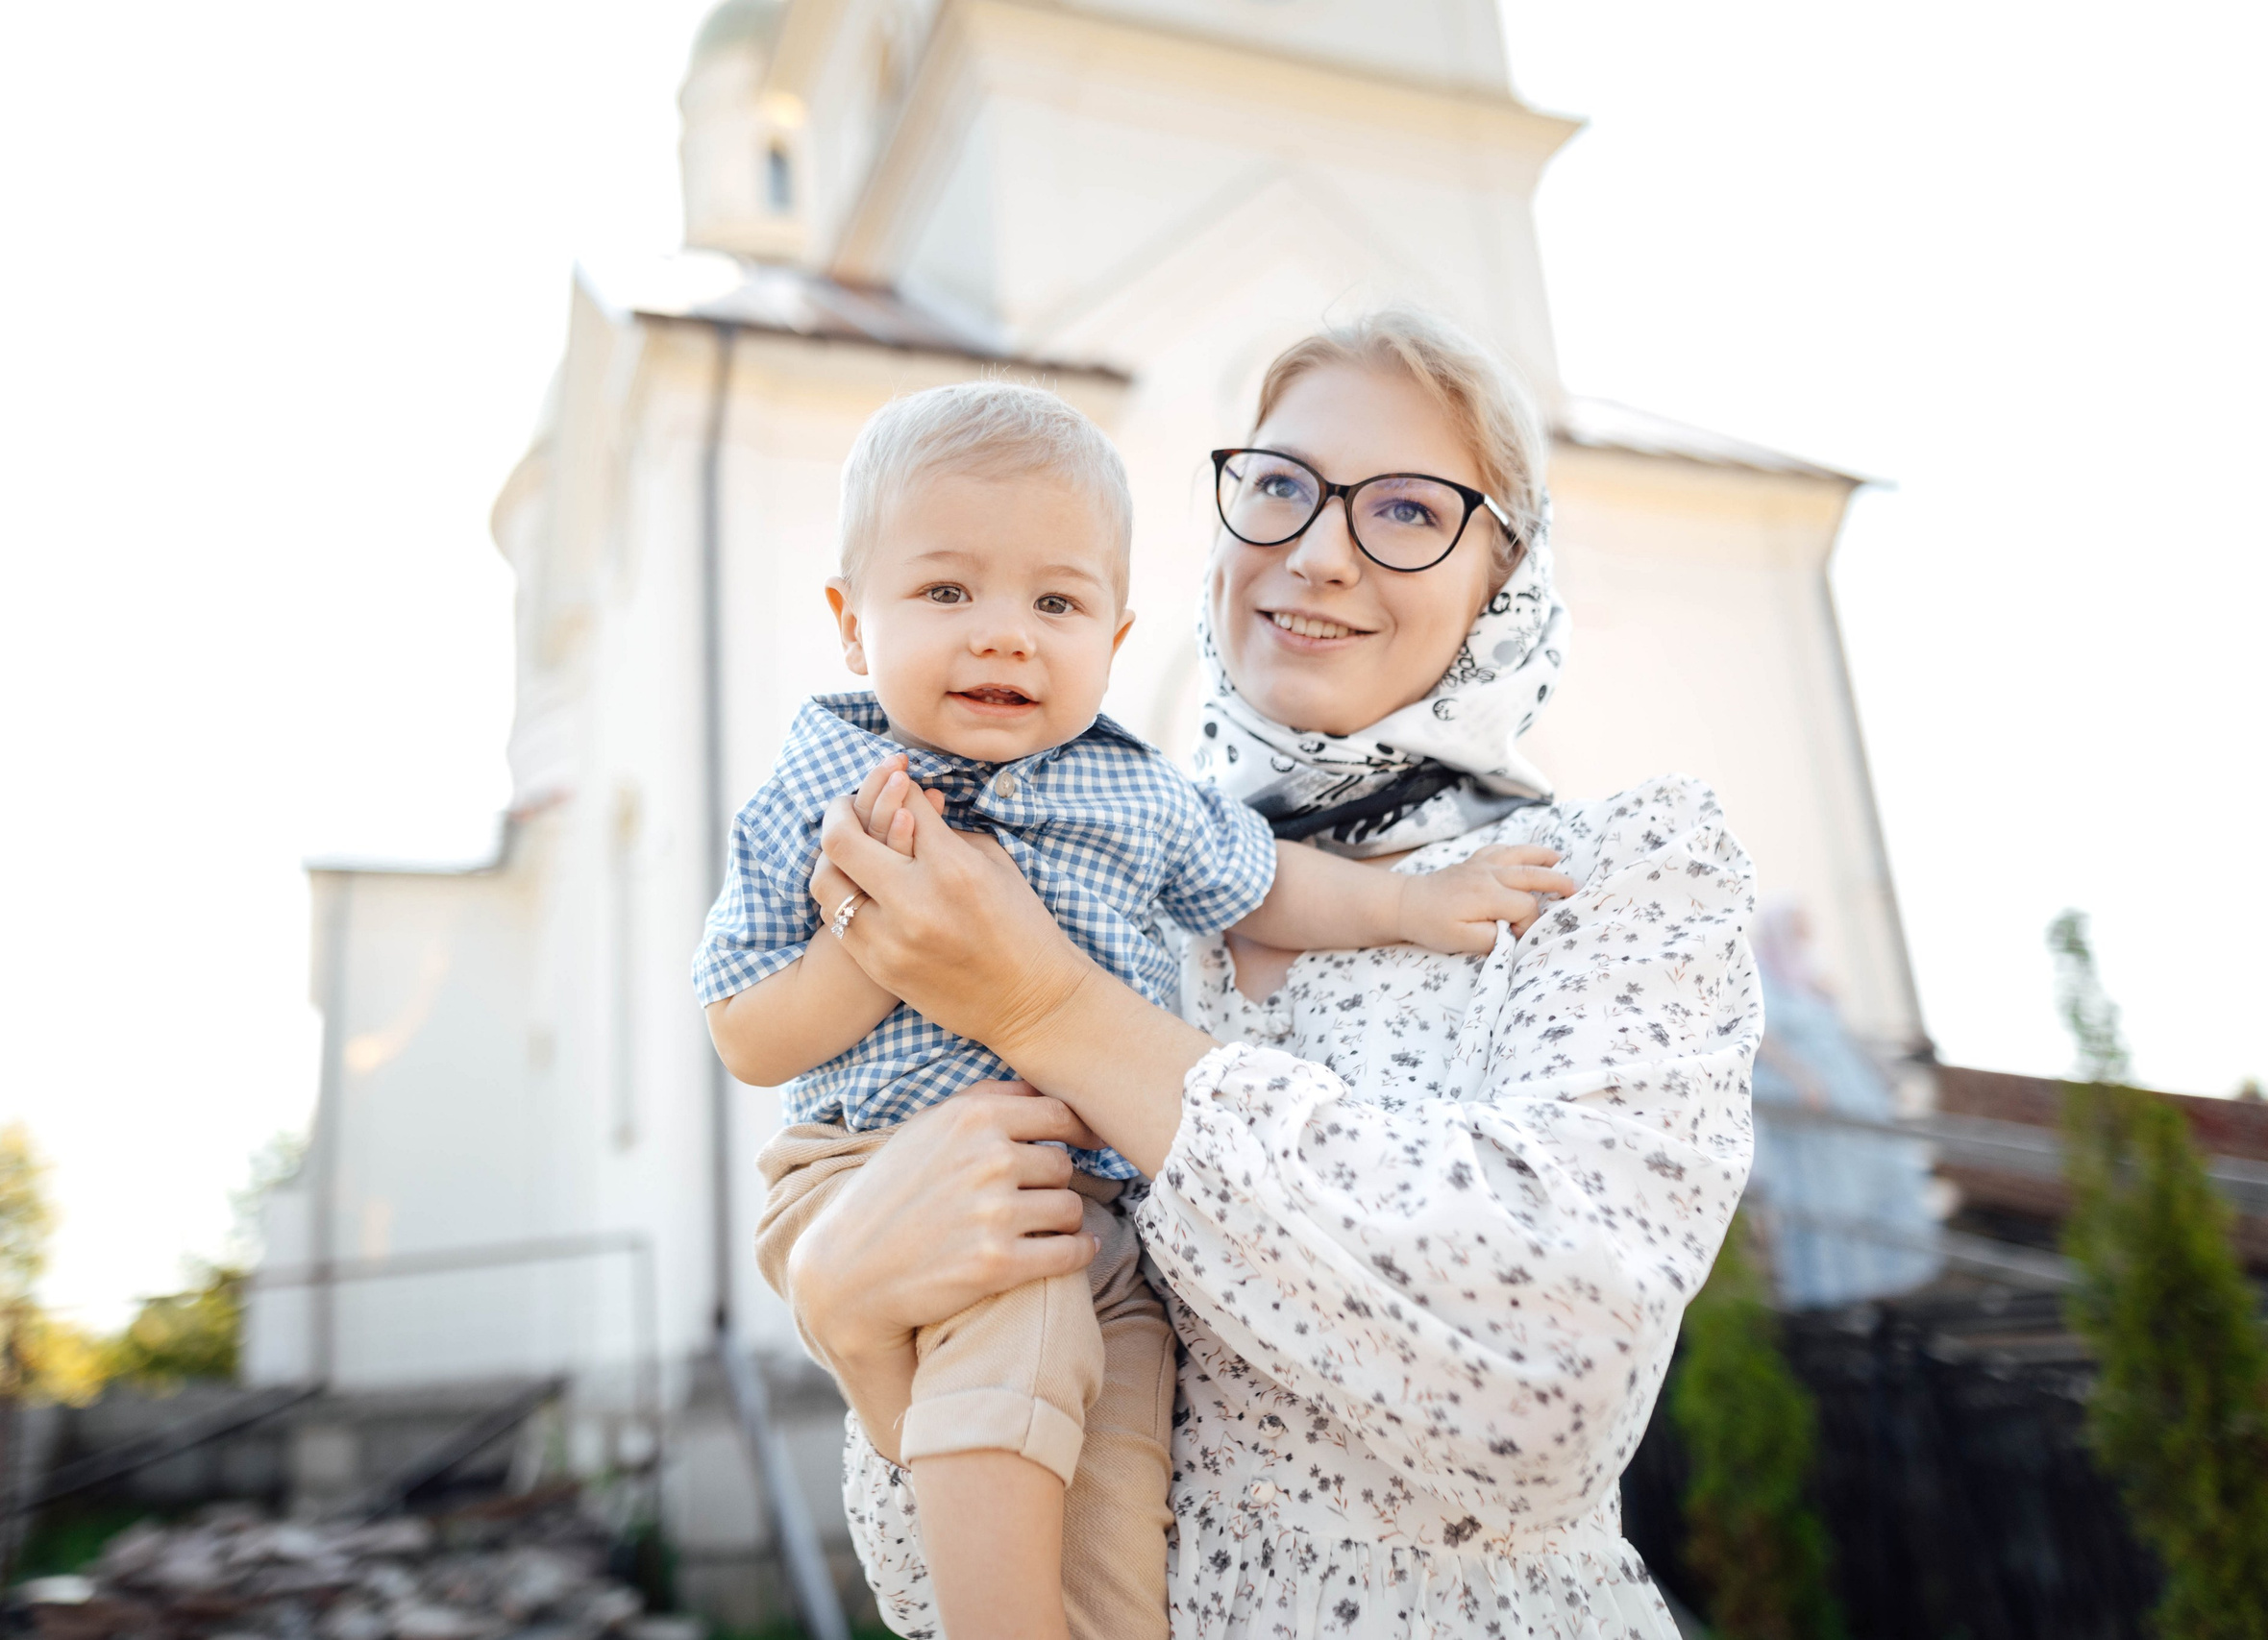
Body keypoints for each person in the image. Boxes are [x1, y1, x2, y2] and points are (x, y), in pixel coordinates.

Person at [787, 311, 1763, 1639]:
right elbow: (931, 1573)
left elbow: (1551, 1383)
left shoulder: (1599, 875)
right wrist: (851, 1312)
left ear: (1505, 577)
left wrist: (1051, 1013)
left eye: (1409, 509)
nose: (1316, 550)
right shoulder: (1077, 878)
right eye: (1280, 487)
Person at [1748, 902, 1941, 1307]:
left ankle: (1883, 1281)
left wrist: (1883, 1074)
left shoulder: (1811, 976)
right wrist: (1802, 1078)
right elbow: (1764, 1038)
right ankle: (1833, 1288)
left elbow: (1847, 1031)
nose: (1804, 939)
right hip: (1806, 1097)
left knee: (1872, 1176)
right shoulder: (1759, 977)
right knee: (1823, 1192)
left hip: (1850, 1090)